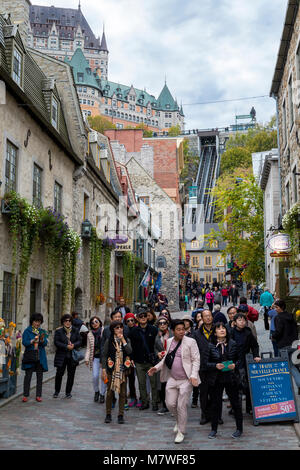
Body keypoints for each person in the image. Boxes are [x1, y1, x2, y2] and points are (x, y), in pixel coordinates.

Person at [148, 320, 200, 444]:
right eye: (178, 329)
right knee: (170, 404)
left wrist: (193, 375)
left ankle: (181, 431)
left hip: (186, 379)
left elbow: (196, 360)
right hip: (172, 378)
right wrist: (156, 367)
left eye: (183, 329)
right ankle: (179, 421)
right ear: (173, 331)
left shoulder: (191, 342)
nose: (182, 331)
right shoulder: (170, 341)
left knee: (181, 406)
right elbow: (166, 358)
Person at [202, 322, 243, 439]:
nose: (222, 330)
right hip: (216, 379)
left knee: (236, 403)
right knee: (215, 404)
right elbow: (205, 364)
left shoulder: (233, 344)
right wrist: (215, 365)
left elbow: (240, 360)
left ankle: (239, 429)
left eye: (223, 328)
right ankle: (213, 429)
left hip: (231, 377)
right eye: (219, 329)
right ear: (215, 333)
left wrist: (235, 365)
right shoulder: (210, 346)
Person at [102, 321, 132, 424]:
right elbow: (104, 355)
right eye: (117, 328)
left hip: (122, 370)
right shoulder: (109, 341)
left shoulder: (126, 340)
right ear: (113, 330)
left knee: (122, 394)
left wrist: (123, 340)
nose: (119, 329)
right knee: (110, 393)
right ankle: (108, 414)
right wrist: (104, 369)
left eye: (121, 327)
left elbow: (129, 351)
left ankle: (120, 415)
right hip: (112, 370)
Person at [230, 312, 261, 414]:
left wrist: (256, 355)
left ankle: (249, 407)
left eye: (243, 320)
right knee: (235, 386)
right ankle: (235, 408)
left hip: (245, 361)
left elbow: (255, 345)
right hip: (234, 362)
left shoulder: (248, 332)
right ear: (234, 322)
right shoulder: (231, 333)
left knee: (247, 386)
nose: (242, 322)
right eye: (239, 320)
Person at [129, 309, 159, 411]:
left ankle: (154, 402)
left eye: (144, 316)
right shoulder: (133, 331)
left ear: (147, 317)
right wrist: (132, 358)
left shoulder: (153, 330)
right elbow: (131, 346)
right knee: (141, 384)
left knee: (153, 383)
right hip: (139, 361)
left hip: (151, 361)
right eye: (140, 317)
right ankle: (144, 402)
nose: (143, 318)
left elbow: (157, 345)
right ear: (137, 318)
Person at [53, 314, 82, 399]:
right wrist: (66, 346)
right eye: (66, 321)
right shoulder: (59, 331)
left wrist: (73, 345)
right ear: (63, 322)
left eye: (69, 321)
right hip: (61, 356)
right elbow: (56, 342)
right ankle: (56, 391)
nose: (68, 322)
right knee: (59, 374)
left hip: (72, 356)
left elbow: (80, 341)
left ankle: (68, 392)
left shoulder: (75, 330)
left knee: (71, 375)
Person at [21, 313, 48, 403]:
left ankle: (38, 395)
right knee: (28, 376)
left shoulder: (42, 331)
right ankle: (25, 395)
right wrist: (32, 341)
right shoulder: (27, 331)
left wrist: (42, 340)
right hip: (30, 356)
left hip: (40, 357)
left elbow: (44, 344)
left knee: (39, 377)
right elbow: (24, 342)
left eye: (39, 322)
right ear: (32, 321)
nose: (37, 323)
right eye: (36, 321)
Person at [194, 309, 215, 422]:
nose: (208, 318)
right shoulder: (197, 333)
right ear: (201, 318)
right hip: (202, 367)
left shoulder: (217, 330)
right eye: (205, 316)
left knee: (215, 392)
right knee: (204, 392)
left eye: (209, 316)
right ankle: (204, 413)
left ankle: (215, 414)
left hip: (216, 366)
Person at [154, 315, 173, 415]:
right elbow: (154, 347)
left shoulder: (172, 334)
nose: (162, 325)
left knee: (172, 384)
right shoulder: (156, 335)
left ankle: (173, 406)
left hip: (171, 362)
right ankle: (164, 406)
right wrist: (157, 353)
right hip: (160, 362)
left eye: (164, 323)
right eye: (160, 323)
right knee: (162, 384)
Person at [85, 316, 105, 403]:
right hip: (95, 358)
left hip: (104, 358)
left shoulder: (105, 331)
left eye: (96, 321)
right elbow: (88, 348)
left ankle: (102, 394)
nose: (95, 324)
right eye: (92, 323)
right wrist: (86, 358)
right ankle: (96, 391)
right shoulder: (89, 334)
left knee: (104, 377)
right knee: (95, 376)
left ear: (100, 322)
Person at [124, 313, 138, 407]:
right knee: (125, 378)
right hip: (126, 357)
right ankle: (124, 398)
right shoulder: (124, 330)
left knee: (132, 378)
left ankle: (134, 397)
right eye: (128, 321)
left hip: (135, 357)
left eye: (132, 320)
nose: (130, 322)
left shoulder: (137, 330)